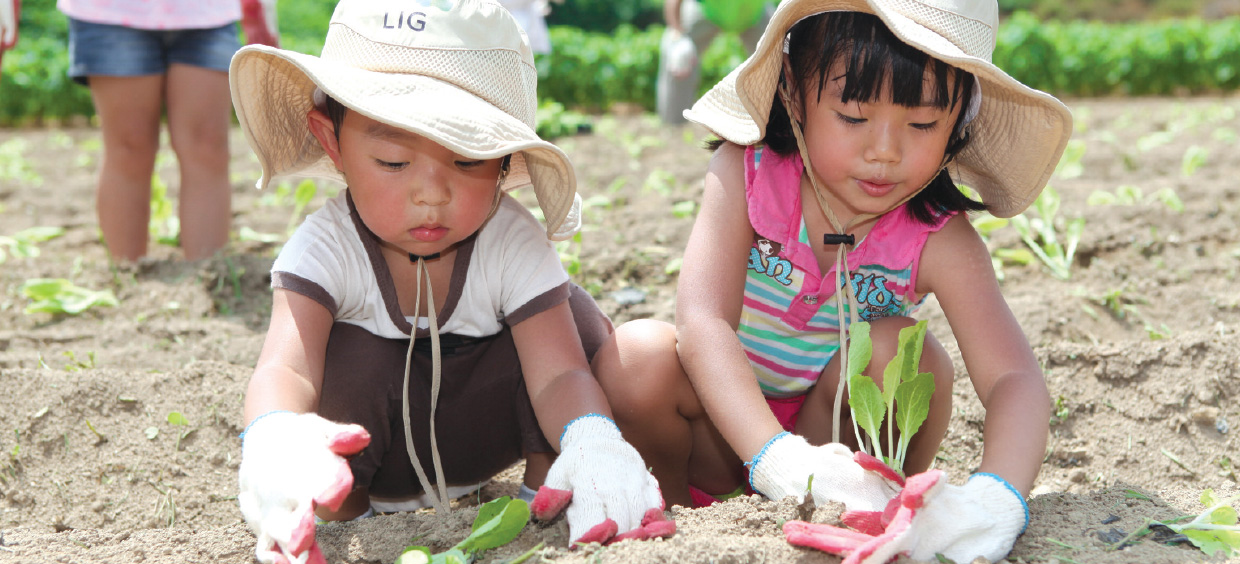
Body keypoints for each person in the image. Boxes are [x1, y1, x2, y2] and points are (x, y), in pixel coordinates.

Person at [592, 0, 1073, 561]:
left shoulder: (939, 238)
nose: (885, 151)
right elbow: (702, 323)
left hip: (843, 447)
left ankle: (869, 515)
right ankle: (673, 522)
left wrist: (998, 498)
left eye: (922, 124)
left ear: (960, 118)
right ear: (794, 91)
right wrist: (776, 458)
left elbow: (1013, 376)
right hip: (717, 433)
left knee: (901, 352)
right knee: (635, 358)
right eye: (853, 116)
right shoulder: (744, 174)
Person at [230, 1, 671, 563]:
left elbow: (559, 375)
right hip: (367, 456)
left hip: (477, 435)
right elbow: (284, 367)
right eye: (393, 161)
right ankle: (339, 515)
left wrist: (593, 438)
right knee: (342, 356)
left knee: (574, 322)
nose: (431, 194)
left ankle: (550, 495)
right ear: (332, 140)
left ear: (506, 158)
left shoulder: (511, 239)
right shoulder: (325, 249)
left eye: (467, 161)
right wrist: (273, 436)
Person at [57, 0, 276, 262]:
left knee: (207, 148)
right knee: (129, 148)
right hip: (109, 12)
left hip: (209, 13)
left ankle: (209, 272)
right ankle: (127, 274)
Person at [657, 0, 773, 125]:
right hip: (707, 10)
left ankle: (777, 123)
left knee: (778, 56)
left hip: (753, 13)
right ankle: (673, 124)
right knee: (677, 56)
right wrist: (677, 35)